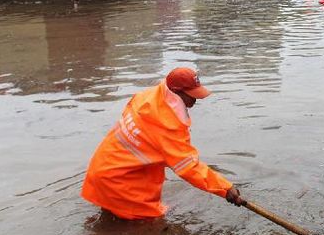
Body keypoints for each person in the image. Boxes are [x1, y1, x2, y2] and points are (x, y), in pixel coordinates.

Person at [81, 67, 245, 220]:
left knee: (110, 219)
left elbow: (148, 142)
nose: (195, 100)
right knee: (152, 226)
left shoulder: (146, 98)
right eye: (191, 95)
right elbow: (189, 168)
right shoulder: (168, 126)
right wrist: (225, 188)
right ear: (176, 93)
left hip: (103, 169)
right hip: (121, 184)